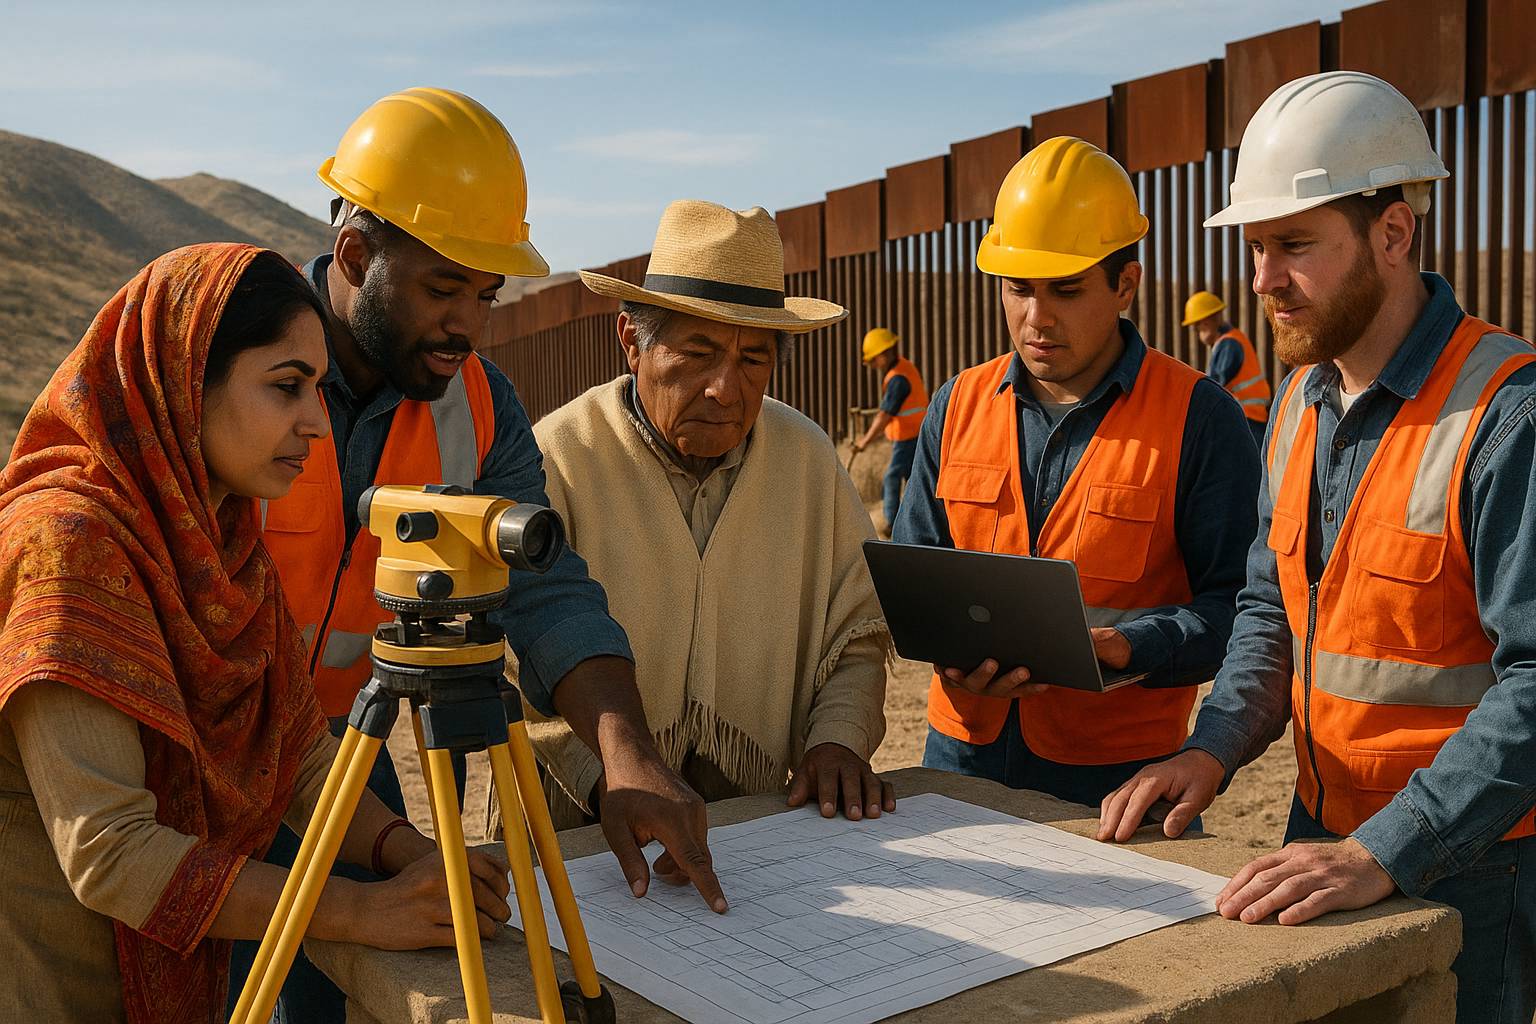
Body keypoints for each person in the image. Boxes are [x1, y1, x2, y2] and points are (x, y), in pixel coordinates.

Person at [240, 87, 725, 1021]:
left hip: (342, 757)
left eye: (486, 293)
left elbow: (544, 590)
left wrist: (625, 754)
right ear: (354, 256)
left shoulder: (483, 406)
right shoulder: (233, 367)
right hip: (204, 760)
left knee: (333, 998)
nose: (469, 323)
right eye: (441, 288)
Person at [1097, 72, 1536, 1024]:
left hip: (1469, 860)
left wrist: (1388, 848)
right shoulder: (1299, 403)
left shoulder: (1506, 416)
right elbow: (1271, 610)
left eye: (1294, 246)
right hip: (1319, 837)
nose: (1261, 280)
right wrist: (1210, 751)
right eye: (1255, 247)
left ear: (1393, 232)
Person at [0, 244, 511, 1024]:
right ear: (182, 380)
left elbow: (296, 754)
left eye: (315, 387)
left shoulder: (220, 536)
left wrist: (409, 853)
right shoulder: (66, 544)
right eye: (286, 388)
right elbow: (110, 852)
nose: (314, 420)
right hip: (59, 980)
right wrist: (357, 911)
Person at [485, 200, 892, 836]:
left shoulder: (807, 458)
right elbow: (512, 646)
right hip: (577, 822)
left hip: (753, 823)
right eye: (698, 353)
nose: (726, 388)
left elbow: (858, 630)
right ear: (631, 342)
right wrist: (614, 774)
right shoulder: (556, 456)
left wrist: (837, 740)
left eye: (754, 359)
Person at [896, 136, 1259, 809]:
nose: (1036, 319)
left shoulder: (1198, 418)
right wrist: (949, 652)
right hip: (959, 755)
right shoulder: (955, 406)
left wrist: (1132, 646)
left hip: (1119, 778)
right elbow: (916, 571)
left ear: (1127, 284)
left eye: (1065, 290)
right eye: (1018, 290)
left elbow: (1243, 609)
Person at [852, 328, 928, 535]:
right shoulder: (903, 368)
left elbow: (884, 416)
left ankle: (892, 525)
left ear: (884, 355)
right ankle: (915, 522)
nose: (873, 365)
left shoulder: (898, 379)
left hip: (908, 437)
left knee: (892, 477)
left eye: (874, 360)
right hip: (914, 434)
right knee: (915, 479)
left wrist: (864, 442)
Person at [1182, 290, 1270, 449]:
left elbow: (1214, 387)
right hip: (1249, 417)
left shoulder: (1228, 344)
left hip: (1247, 418)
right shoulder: (1232, 340)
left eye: (1198, 327)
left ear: (1209, 321)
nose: (1198, 333)